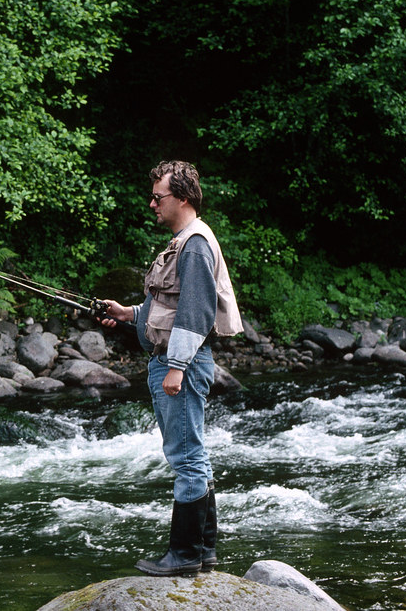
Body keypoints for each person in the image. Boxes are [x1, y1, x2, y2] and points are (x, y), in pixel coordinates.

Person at [98, 160, 243, 577]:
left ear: (181, 197)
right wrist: (129, 313)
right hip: (178, 360)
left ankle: (184, 556)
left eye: (158, 197)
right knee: (192, 455)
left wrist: (176, 367)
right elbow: (169, 305)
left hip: (181, 363)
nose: (151, 204)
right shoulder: (186, 240)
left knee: (186, 458)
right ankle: (204, 551)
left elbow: (195, 314)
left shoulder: (194, 244)